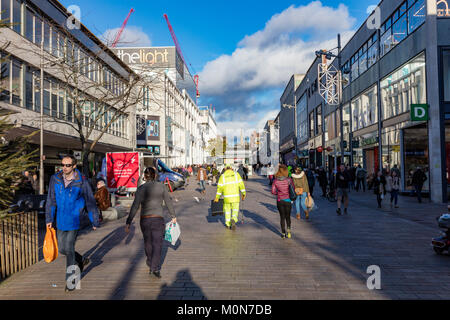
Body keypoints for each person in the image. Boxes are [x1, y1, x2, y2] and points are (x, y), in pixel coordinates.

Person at [45, 155, 99, 292]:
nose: (64, 167)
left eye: (68, 165)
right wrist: (49, 219)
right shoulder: (55, 179)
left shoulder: (82, 182)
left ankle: (71, 282)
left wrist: (94, 220)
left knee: (69, 249)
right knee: (62, 249)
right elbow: (51, 200)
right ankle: (81, 260)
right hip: (60, 220)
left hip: (75, 219)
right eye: (63, 164)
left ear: (74, 166)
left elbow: (90, 201)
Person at [125, 167, 176, 279]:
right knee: (157, 243)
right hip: (158, 218)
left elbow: (135, 206)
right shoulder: (161, 186)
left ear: (145, 176)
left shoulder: (141, 189)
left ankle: (150, 261)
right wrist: (173, 216)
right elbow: (168, 201)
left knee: (148, 242)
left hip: (145, 219)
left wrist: (128, 222)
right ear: (155, 175)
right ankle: (154, 267)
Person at [214, 165, 246, 230]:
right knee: (235, 210)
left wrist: (217, 197)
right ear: (231, 168)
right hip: (235, 198)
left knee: (227, 211)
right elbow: (241, 185)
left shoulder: (222, 176)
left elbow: (219, 188)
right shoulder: (236, 175)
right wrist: (243, 194)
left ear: (225, 169)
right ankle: (233, 219)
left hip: (227, 198)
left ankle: (228, 224)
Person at [272, 165, 295, 238]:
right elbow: (293, 189)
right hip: (288, 200)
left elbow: (273, 191)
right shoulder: (289, 180)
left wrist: (278, 193)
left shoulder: (275, 181)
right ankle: (288, 230)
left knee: (282, 217)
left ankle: (283, 233)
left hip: (280, 200)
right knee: (288, 216)